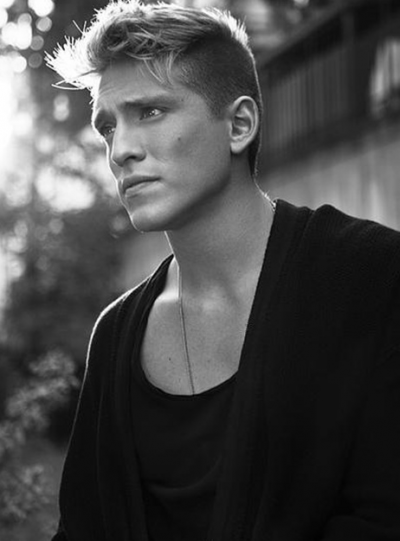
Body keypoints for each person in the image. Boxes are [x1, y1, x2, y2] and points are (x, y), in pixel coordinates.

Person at [47, 1, 400, 540]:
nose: (120, 150)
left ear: (239, 124)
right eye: (108, 127)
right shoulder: (116, 335)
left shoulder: (372, 277)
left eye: (151, 112)